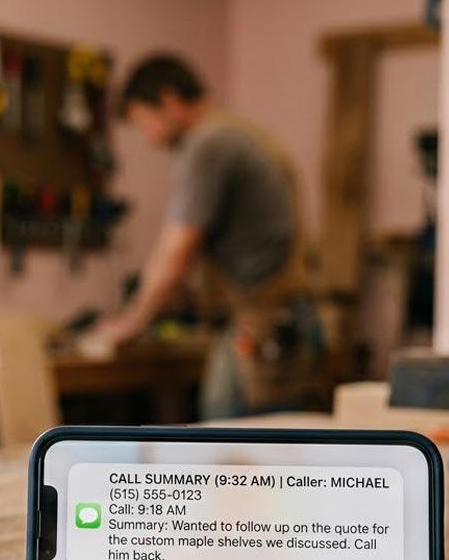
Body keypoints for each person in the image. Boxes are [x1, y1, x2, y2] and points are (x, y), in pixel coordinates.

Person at [86, 53, 326, 418]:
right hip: (285, 315)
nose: (148, 139)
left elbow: (174, 253)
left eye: (143, 122)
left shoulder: (208, 145)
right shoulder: (238, 132)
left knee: (225, 439)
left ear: (168, 100)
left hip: (265, 321)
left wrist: (130, 322)